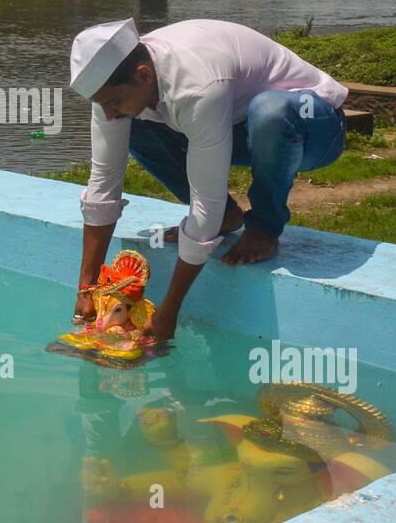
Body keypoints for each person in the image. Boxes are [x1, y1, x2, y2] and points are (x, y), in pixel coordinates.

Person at [69, 18, 348, 340]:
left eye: (113, 103)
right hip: (238, 124)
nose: (108, 114)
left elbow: (205, 205)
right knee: (135, 124)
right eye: (101, 105)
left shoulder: (197, 84)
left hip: (312, 127)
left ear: (144, 75)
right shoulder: (115, 85)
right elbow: (103, 183)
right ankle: (230, 218)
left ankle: (264, 228)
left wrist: (168, 312)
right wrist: (86, 289)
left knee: (270, 111)